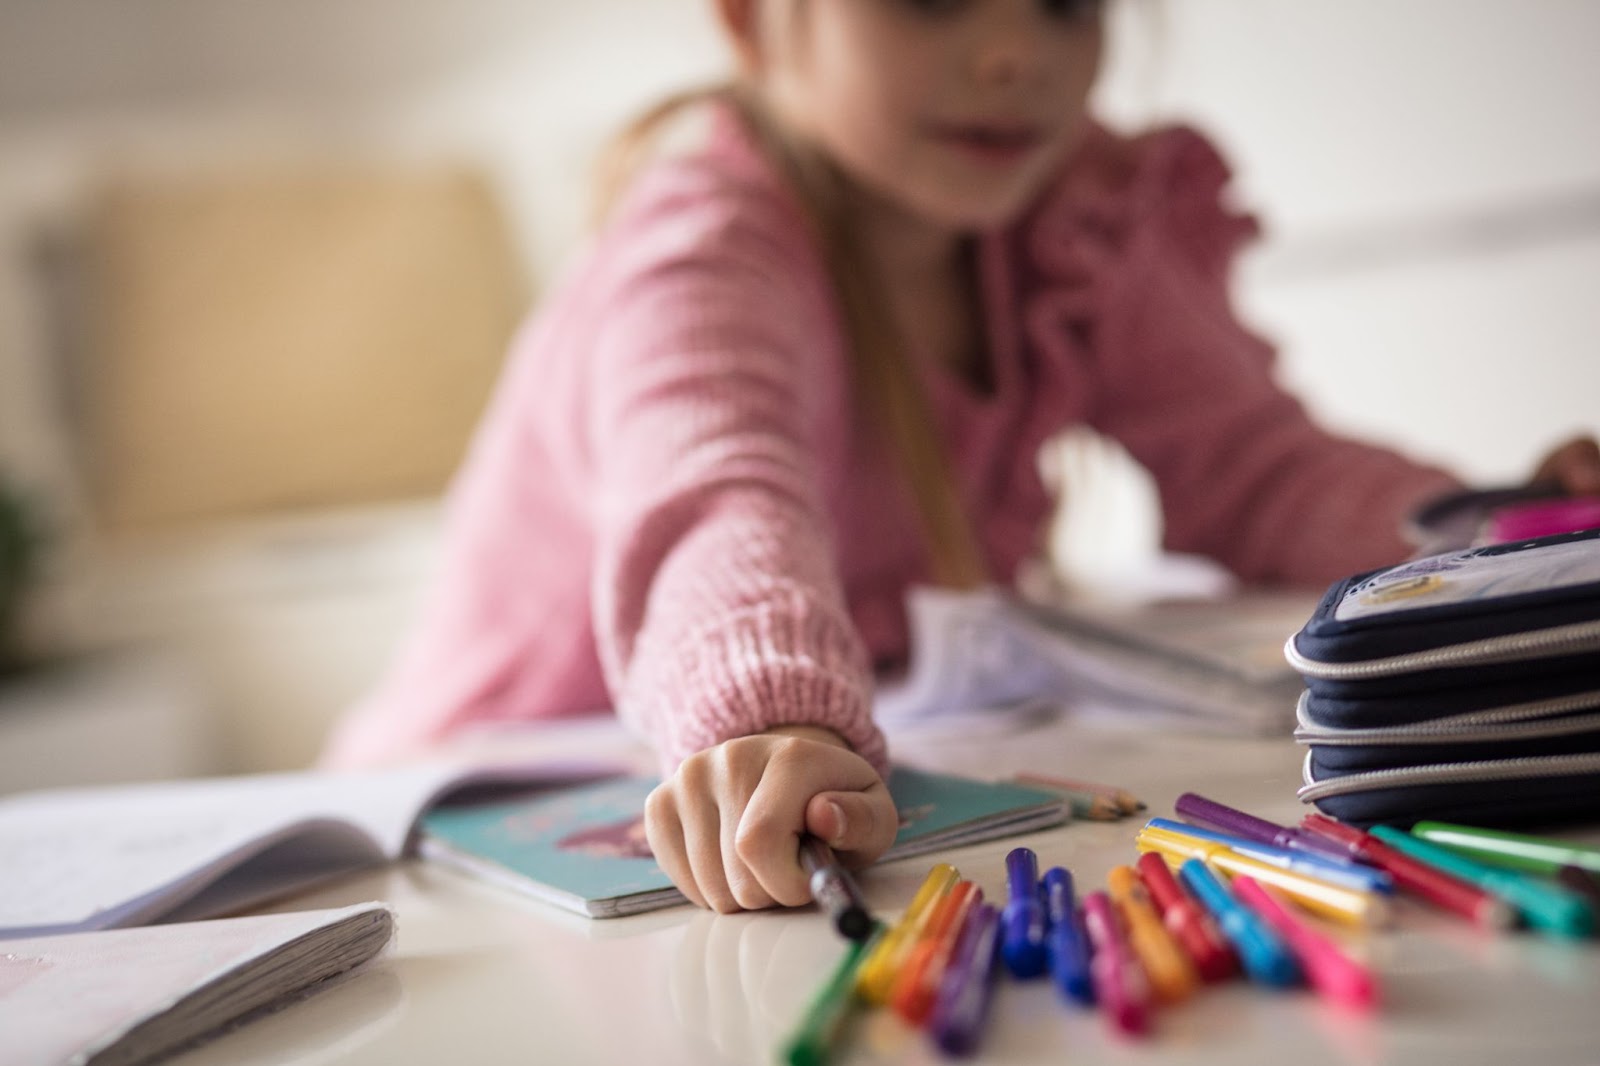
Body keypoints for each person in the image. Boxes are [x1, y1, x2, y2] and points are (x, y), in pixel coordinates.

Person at [323, 0, 1600, 913]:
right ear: (752, 20)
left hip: (803, 763)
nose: (1012, 53)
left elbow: (1257, 466)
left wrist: (1509, 539)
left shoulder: (1072, 220)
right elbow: (714, 502)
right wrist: (764, 713)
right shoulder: (701, 242)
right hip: (491, 803)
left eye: (1066, 4)